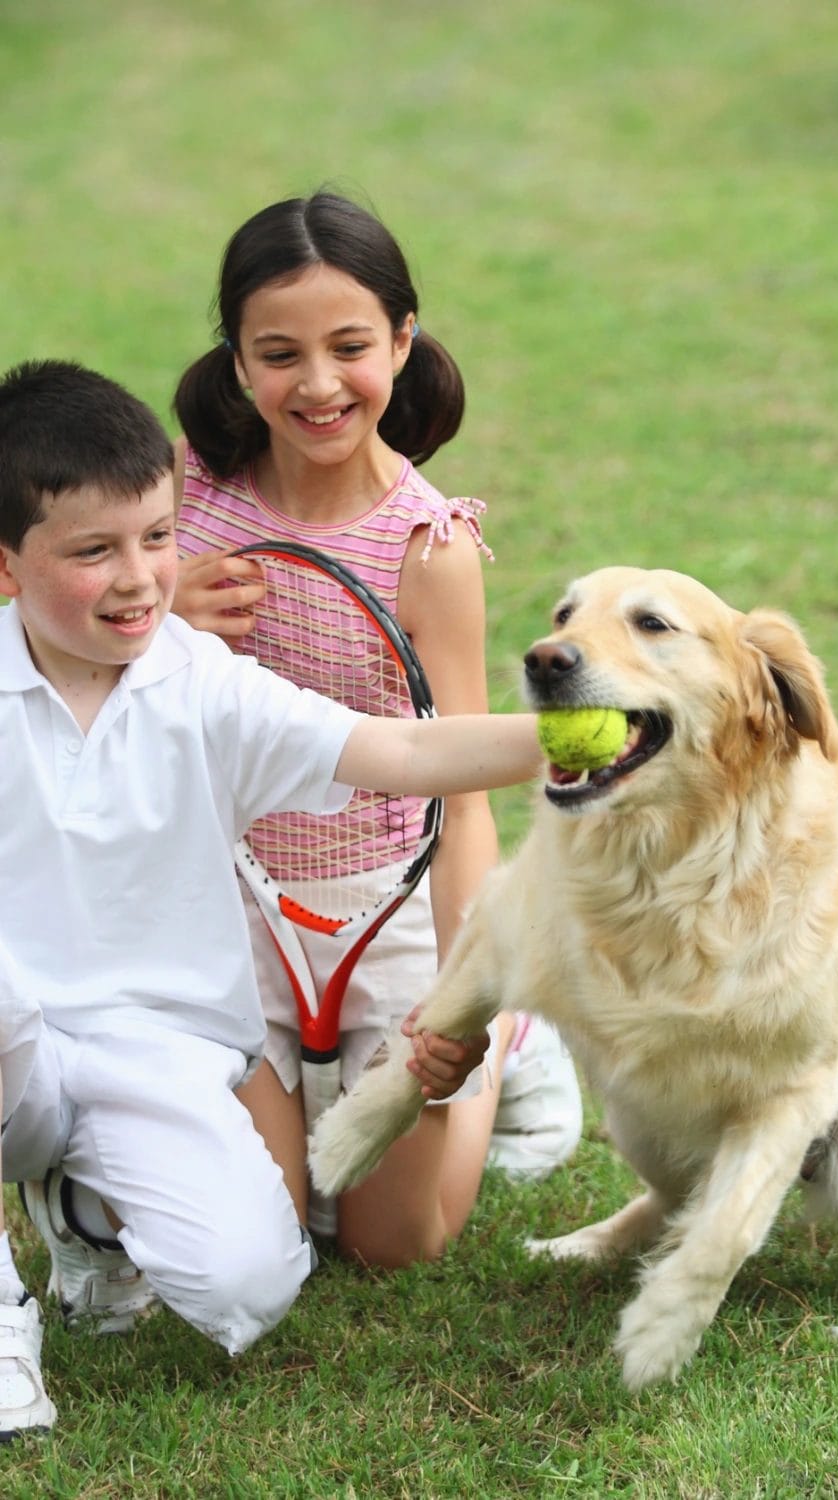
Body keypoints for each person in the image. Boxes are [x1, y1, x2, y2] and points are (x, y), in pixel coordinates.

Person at [0, 357, 546, 1437]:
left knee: (252, 1285)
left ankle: (86, 1215)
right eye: (93, 552)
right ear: (6, 566)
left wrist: (591, 736)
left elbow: (398, 748)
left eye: (157, 538)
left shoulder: (202, 679)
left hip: (149, 1045)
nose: (140, 579)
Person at [171, 191, 582, 1265]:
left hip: (384, 900)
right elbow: (56, 641)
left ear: (400, 341)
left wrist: (461, 998)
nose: (316, 384)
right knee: (273, 1223)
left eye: (349, 346)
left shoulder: (427, 545)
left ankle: (518, 1050)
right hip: (230, 897)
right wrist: (161, 607)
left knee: (391, 1247)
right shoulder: (182, 493)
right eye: (278, 353)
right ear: (235, 360)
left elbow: (460, 787)